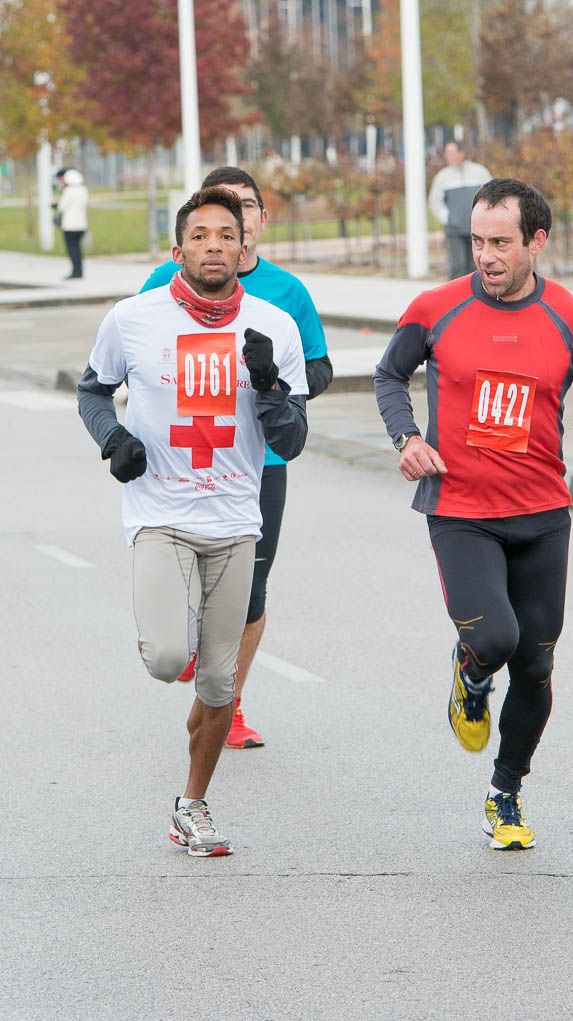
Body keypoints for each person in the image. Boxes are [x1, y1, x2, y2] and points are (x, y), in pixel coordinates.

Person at [374, 178, 573, 851]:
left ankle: (506, 789)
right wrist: (408, 437)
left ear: (536, 242)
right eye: (476, 242)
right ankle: (468, 668)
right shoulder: (436, 307)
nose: (484, 256)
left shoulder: (570, 317)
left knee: (538, 664)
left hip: (543, 512)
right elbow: (388, 374)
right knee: (494, 639)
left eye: (499, 243)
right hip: (460, 508)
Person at [77, 187, 308, 856]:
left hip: (235, 521)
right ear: (177, 251)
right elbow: (93, 387)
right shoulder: (134, 318)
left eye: (225, 235)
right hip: (160, 513)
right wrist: (113, 438)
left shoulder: (273, 328)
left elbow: (290, 442)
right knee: (171, 658)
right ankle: (168, 625)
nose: (214, 245)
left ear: (245, 247)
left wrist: (267, 388)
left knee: (216, 685)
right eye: (199, 235)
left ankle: (192, 806)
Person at [141, 167, 332, 749]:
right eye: (223, 215)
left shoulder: (286, 294)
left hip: (258, 463)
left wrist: (270, 381)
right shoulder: (161, 281)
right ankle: (183, 640)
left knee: (251, 589)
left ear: (259, 221)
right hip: (182, 458)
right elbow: (133, 353)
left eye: (247, 209)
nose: (237, 223)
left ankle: (230, 700)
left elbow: (318, 371)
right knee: (188, 584)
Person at [428, 141, 491, 279]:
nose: (447, 156)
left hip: (478, 229)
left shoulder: (479, 172)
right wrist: (448, 218)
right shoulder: (442, 176)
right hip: (454, 230)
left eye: (451, 152)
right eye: (447, 153)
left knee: (477, 265)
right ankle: (455, 299)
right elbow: (434, 201)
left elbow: (491, 196)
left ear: (461, 153)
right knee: (457, 265)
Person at [55, 168, 89, 279]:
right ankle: (80, 270)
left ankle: (75, 271)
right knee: (78, 249)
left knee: (72, 249)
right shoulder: (83, 190)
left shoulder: (69, 191)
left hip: (70, 226)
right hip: (82, 224)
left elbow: (61, 206)